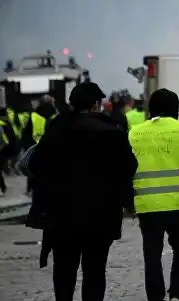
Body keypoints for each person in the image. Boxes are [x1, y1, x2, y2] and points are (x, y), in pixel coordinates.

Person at [27, 82, 137, 301]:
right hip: (101, 215)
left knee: (64, 270)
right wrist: (127, 202)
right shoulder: (112, 133)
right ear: (96, 104)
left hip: (62, 215)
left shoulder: (56, 131)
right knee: (95, 270)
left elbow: (36, 165)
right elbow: (129, 167)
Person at [130, 88, 179, 301]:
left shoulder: (134, 133)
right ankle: (176, 293)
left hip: (147, 204)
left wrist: (128, 201)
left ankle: (155, 297)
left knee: (152, 254)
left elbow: (123, 169)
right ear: (176, 109)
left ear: (150, 108)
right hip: (178, 204)